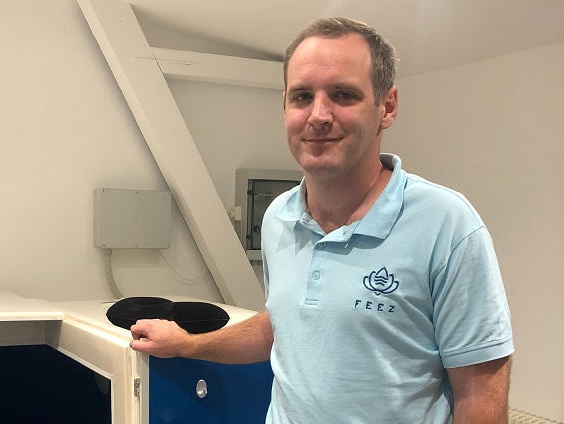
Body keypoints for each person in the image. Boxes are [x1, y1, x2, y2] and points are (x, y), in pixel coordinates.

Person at [130, 17, 513, 424]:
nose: (318, 115)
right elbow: (284, 324)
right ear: (285, 107)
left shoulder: (446, 224)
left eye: (343, 94)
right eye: (301, 96)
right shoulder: (278, 217)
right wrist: (187, 344)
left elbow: (479, 391)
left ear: (387, 107)